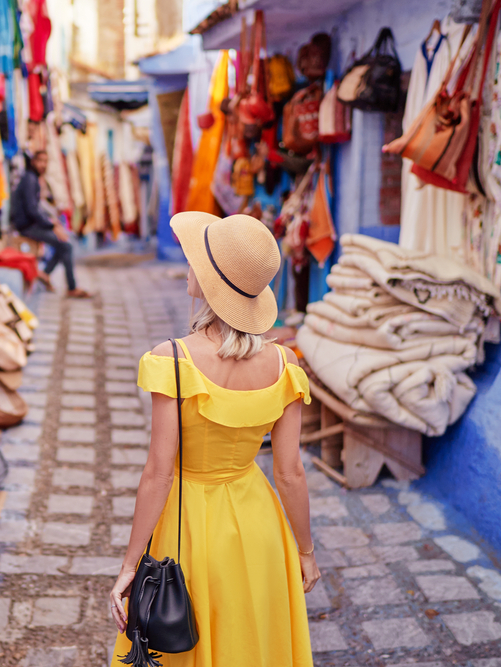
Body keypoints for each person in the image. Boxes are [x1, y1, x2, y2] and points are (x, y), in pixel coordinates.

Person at [108, 212, 319, 667]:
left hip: (188, 524)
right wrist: (305, 551)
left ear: (207, 281)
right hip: (259, 523)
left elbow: (159, 473)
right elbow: (290, 473)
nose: (188, 265)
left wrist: (129, 566)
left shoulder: (173, 360)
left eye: (195, 259)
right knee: (250, 642)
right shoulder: (285, 365)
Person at [10, 150, 90, 298]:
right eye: (40, 161)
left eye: (45, 161)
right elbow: (32, 211)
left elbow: (37, 208)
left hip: (32, 223)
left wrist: (53, 222)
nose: (43, 165)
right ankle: (70, 287)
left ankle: (46, 274)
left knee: (64, 244)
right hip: (27, 226)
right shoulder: (30, 179)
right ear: (33, 161)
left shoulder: (33, 179)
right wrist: (52, 226)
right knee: (66, 245)